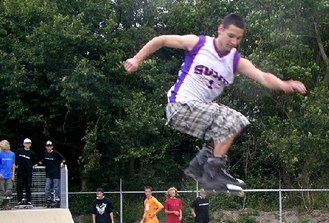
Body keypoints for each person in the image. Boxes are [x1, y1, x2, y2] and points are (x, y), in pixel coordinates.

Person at [123, 14, 307, 194]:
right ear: (221, 29)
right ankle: (213, 173)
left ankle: (198, 166)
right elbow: (161, 40)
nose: (233, 42)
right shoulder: (198, 44)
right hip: (180, 105)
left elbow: (263, 77)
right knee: (234, 120)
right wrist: (137, 59)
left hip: (195, 112)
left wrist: (283, 84)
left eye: (238, 38)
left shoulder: (235, 61)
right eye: (230, 36)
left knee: (227, 128)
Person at [39, 140, 66, 207]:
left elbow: (63, 158)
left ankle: (57, 199)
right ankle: (48, 200)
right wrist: (37, 163)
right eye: (48, 146)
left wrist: (62, 162)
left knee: (56, 187)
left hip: (56, 173)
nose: (49, 147)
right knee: (47, 188)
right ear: (46, 147)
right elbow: (44, 160)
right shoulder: (45, 153)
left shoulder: (55, 153)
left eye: (50, 146)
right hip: (48, 174)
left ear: (52, 147)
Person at [15, 138, 37, 207]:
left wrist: (34, 165)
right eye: (26, 143)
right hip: (20, 172)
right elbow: (15, 159)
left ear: (30, 144)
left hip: (28, 173)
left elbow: (34, 161)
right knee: (19, 186)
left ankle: (29, 200)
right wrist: (15, 165)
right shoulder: (19, 150)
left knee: (28, 187)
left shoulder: (32, 152)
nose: (27, 144)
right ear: (24, 144)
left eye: (29, 143)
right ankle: (20, 200)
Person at [0, 140, 16, 210]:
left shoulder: (12, 154)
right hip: (1, 175)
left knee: (8, 191)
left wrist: (13, 174)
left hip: (9, 175)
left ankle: (6, 204)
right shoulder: (0, 153)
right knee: (2, 191)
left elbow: (13, 164)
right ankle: (2, 204)